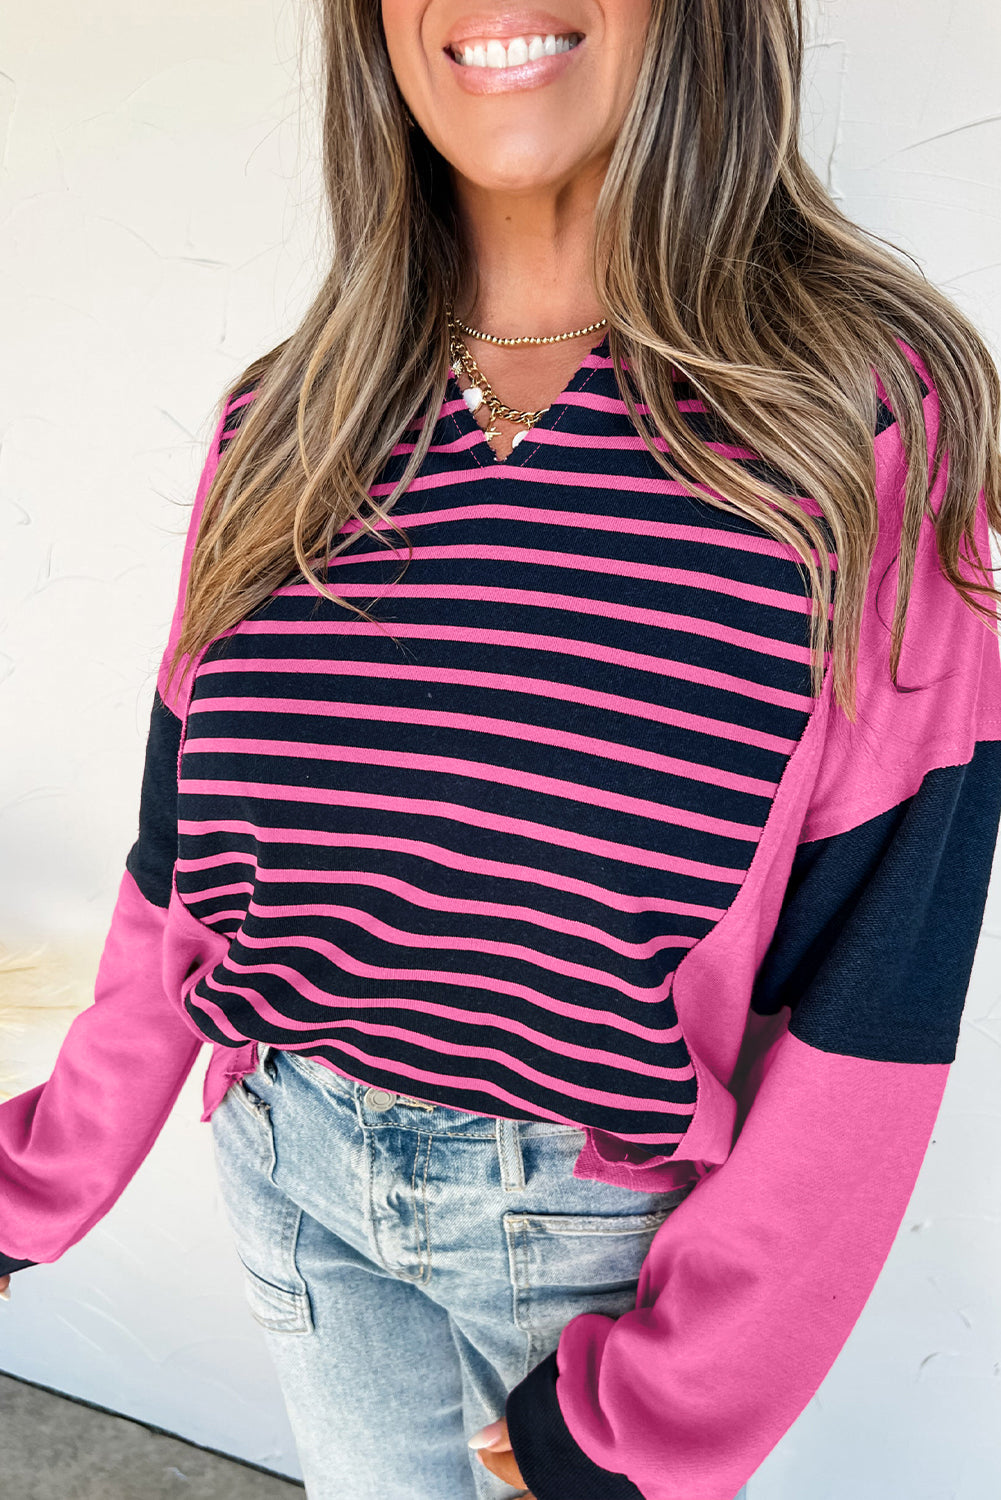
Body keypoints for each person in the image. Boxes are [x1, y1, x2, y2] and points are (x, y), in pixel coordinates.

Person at [3, 1, 1001, 1496]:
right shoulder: (285, 421)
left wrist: (658, 1419)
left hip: (590, 1247)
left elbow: (878, 997)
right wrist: (30, 1191)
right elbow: (183, 871)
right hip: (287, 1162)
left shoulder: (849, 432)